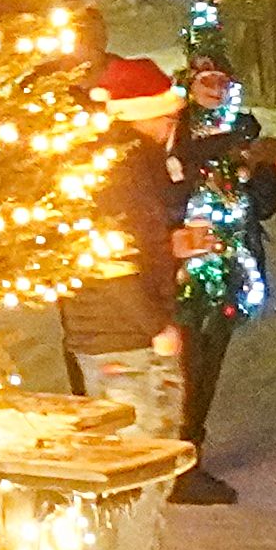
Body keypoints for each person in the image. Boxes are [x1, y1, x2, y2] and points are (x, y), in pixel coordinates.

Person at [173, 55, 276, 510]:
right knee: (181, 367)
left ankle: (188, 455)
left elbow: (265, 205)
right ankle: (173, 463)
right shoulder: (175, 132)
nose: (215, 88)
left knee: (207, 366)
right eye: (205, 81)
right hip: (184, 271)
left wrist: (263, 168)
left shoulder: (246, 133)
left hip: (230, 270)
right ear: (189, 85)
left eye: (222, 81)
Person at [75, 54, 199, 481]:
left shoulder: (130, 165)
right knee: (139, 465)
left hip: (121, 332)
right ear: (142, 117)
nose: (172, 129)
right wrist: (155, 326)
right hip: (122, 338)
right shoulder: (119, 173)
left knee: (146, 461)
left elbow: (133, 239)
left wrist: (169, 246)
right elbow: (108, 260)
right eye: (167, 118)